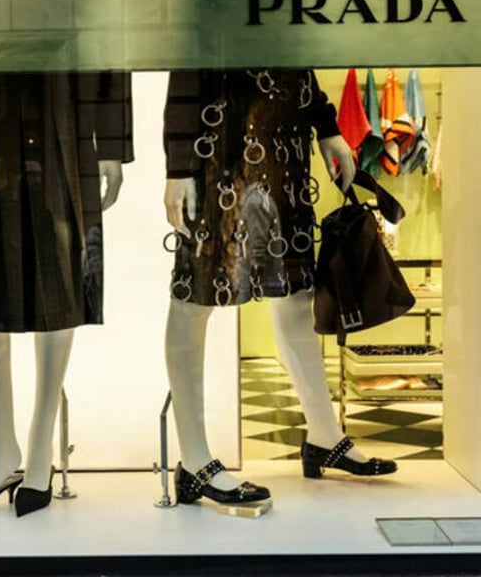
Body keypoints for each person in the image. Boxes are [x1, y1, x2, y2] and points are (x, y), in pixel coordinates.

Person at [162, 69, 397, 505]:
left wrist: (326, 125)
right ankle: (194, 460)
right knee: (195, 297)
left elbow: (294, 53)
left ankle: (324, 436)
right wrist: (178, 166)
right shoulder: (206, 18)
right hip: (218, 152)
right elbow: (186, 66)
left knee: (295, 296)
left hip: (284, 152)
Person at [0, 73, 133, 521]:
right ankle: (0, 448)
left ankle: (40, 444)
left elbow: (110, 46)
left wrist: (112, 143)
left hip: (63, 114)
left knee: (59, 284)